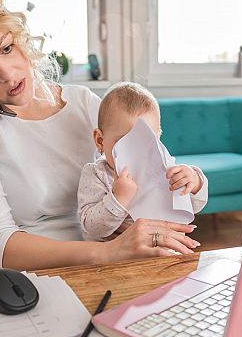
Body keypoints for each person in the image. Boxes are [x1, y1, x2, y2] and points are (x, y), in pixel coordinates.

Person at [0, 0, 199, 279]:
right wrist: (110, 252)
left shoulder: (82, 103)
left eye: (6, 48)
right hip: (6, 291)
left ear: (18, 38)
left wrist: (176, 192)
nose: (6, 72)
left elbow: (155, 179)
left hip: (93, 278)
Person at [78, 82, 207, 241]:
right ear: (100, 141)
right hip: (115, 257)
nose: (135, 151)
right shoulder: (97, 174)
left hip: (164, 249)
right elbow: (92, 227)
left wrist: (194, 182)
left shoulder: (164, 168)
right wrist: (118, 198)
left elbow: (195, 206)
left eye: (145, 141)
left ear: (158, 137)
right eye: (123, 142)